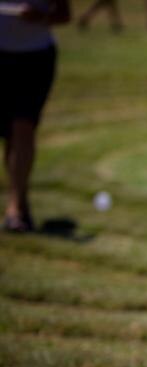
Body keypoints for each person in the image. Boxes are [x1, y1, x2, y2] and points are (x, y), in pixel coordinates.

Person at [1, 0, 71, 233]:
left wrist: (39, 17)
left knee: (23, 127)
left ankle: (15, 208)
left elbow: (64, 14)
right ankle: (20, 201)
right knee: (10, 135)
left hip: (34, 59)